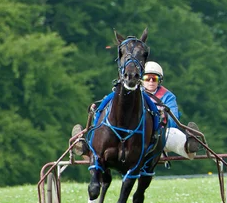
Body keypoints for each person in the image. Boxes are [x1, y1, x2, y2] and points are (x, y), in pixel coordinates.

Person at [72, 61, 201, 159]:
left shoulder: (168, 97)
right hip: (135, 134)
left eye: (154, 78)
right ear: (141, 79)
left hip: (159, 134)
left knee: (173, 134)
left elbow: (174, 120)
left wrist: (162, 117)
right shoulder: (132, 94)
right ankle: (85, 147)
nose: (151, 81)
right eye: (147, 78)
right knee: (105, 134)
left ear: (159, 80)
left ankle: (189, 146)